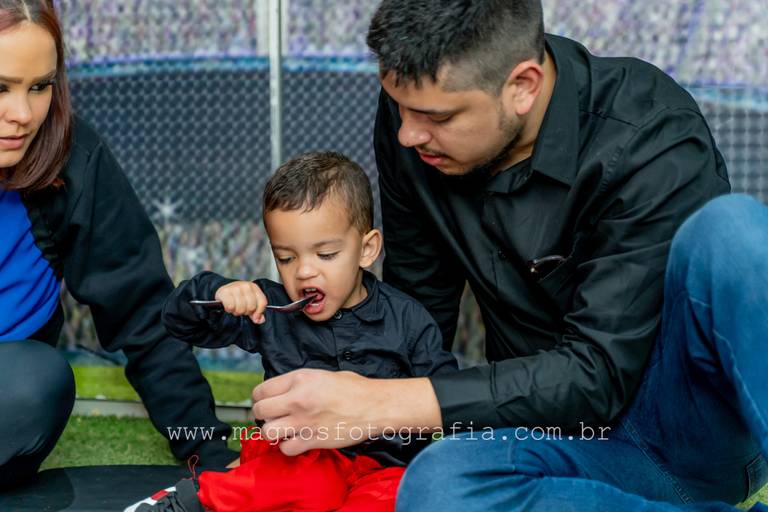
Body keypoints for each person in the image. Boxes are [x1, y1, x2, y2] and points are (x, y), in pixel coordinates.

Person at [248, 0, 768, 509]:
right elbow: (417, 306)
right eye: (398, 106)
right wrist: (362, 429)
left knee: (732, 234)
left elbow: (600, 374)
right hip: (551, 440)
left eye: (436, 116)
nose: (407, 134)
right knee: (437, 488)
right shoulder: (414, 124)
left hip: (688, 436)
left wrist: (381, 402)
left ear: (523, 86)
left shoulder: (650, 131)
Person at [128, 152, 457, 511]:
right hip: (294, 455)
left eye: (326, 254)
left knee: (395, 495)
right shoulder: (269, 307)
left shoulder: (408, 318)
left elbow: (446, 397)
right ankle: (195, 499)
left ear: (366, 249)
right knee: (310, 483)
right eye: (286, 258)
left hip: (385, 467)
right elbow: (179, 322)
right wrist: (218, 292)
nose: (304, 272)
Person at [0, 0, 236, 489]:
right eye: (0, 88)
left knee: (36, 382)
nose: (22, 114)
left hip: (10, 390)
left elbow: (142, 311)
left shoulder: (74, 160)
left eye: (40, 86)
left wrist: (209, 452)